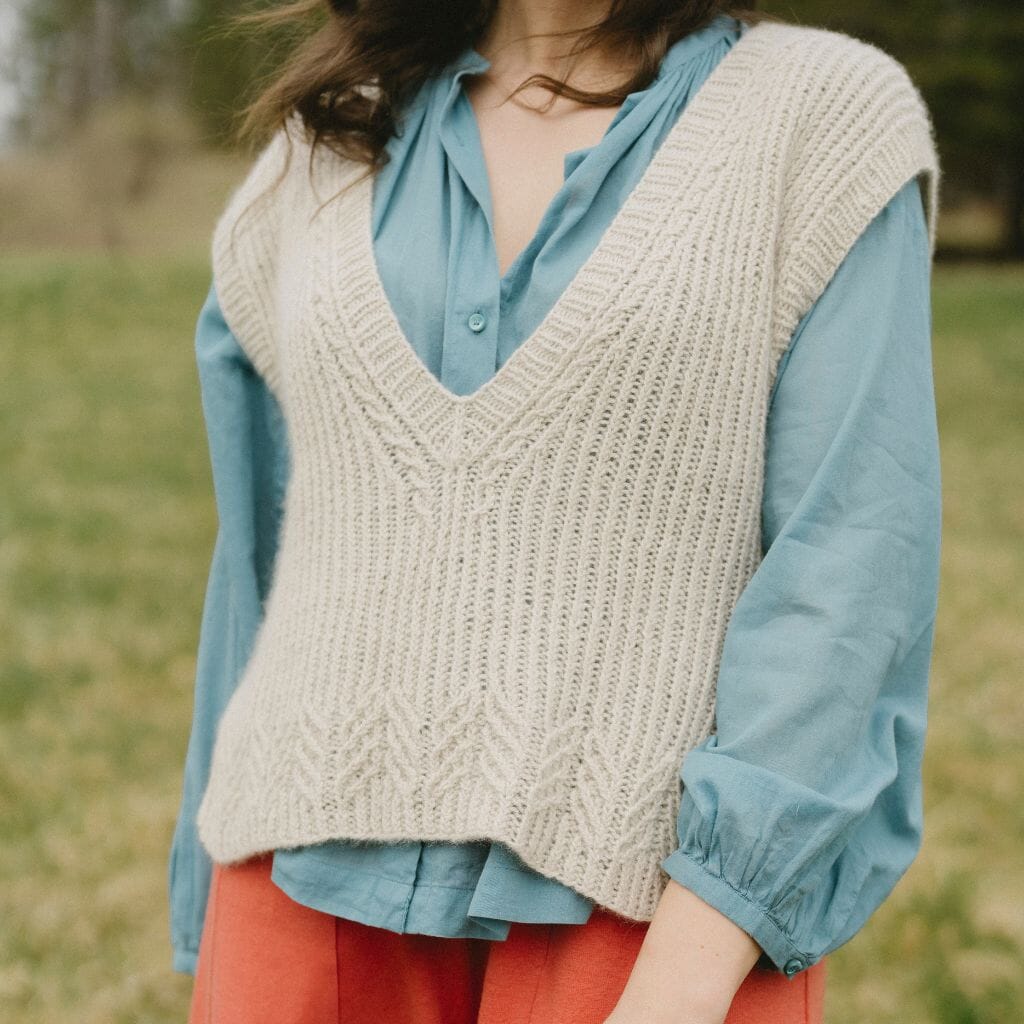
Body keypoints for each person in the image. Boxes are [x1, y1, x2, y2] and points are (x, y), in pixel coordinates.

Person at [169, 2, 943, 1022]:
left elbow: (849, 567)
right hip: (298, 892)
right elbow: (263, 567)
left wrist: (694, 964)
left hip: (653, 917)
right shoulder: (321, 139)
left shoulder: (822, 116)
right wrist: (204, 901)